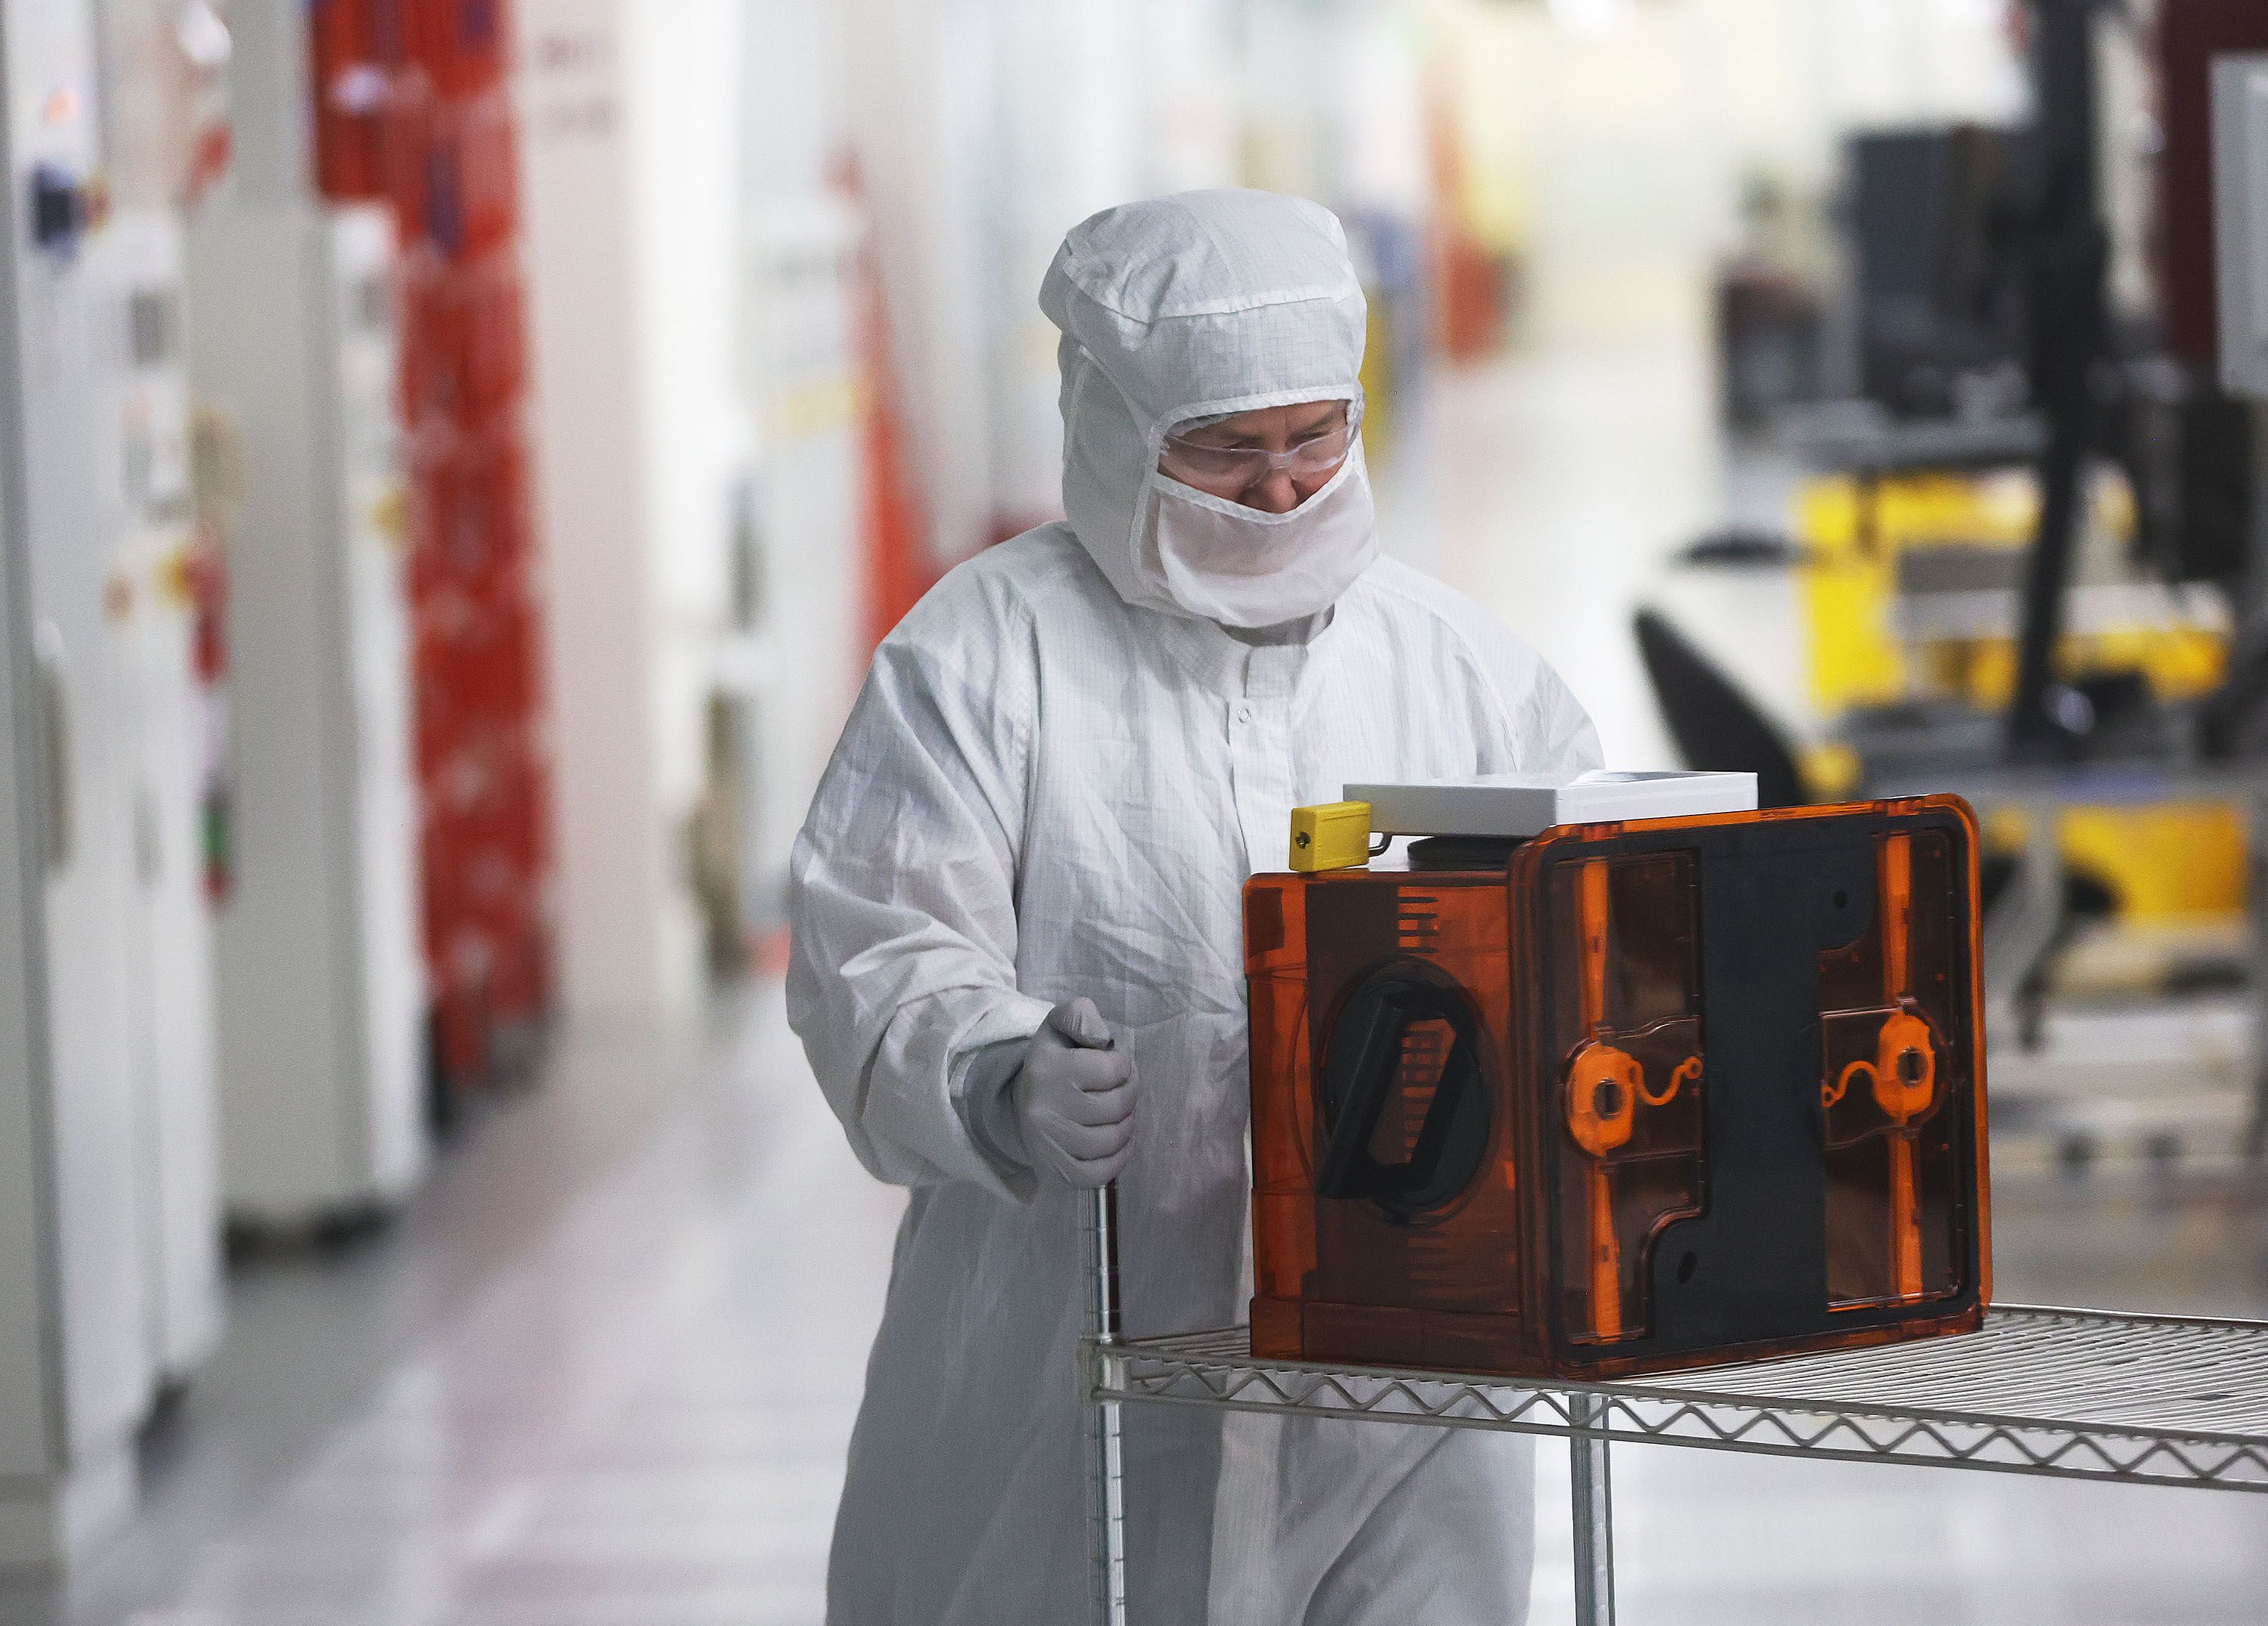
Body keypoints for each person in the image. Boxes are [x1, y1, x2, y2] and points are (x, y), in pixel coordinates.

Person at [788, 187, 1600, 1625]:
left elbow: (1596, 932)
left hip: (1404, 1395)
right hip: (1074, 1359)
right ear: (1111, 432)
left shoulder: (1467, 671)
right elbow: (882, 942)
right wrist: (992, 1075)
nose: (1284, 491)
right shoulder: (984, 659)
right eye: (1224, 453)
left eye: (1315, 439)